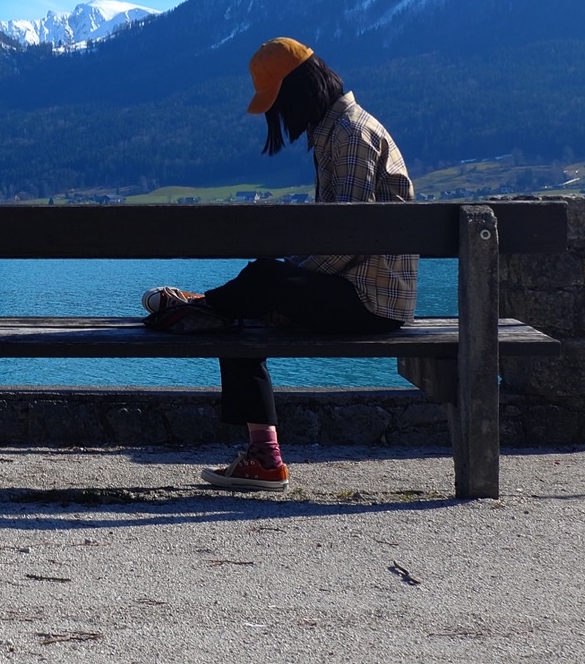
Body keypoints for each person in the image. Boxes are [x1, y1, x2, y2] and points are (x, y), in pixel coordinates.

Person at [142, 37, 415, 492]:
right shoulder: (340, 129)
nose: (280, 118)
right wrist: (288, 284)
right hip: (360, 294)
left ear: (296, 91)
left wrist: (287, 281)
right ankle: (263, 457)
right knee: (238, 312)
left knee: (260, 280)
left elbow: (347, 240)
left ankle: (196, 307)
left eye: (278, 104)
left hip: (368, 300)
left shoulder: (349, 135)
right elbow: (341, 242)